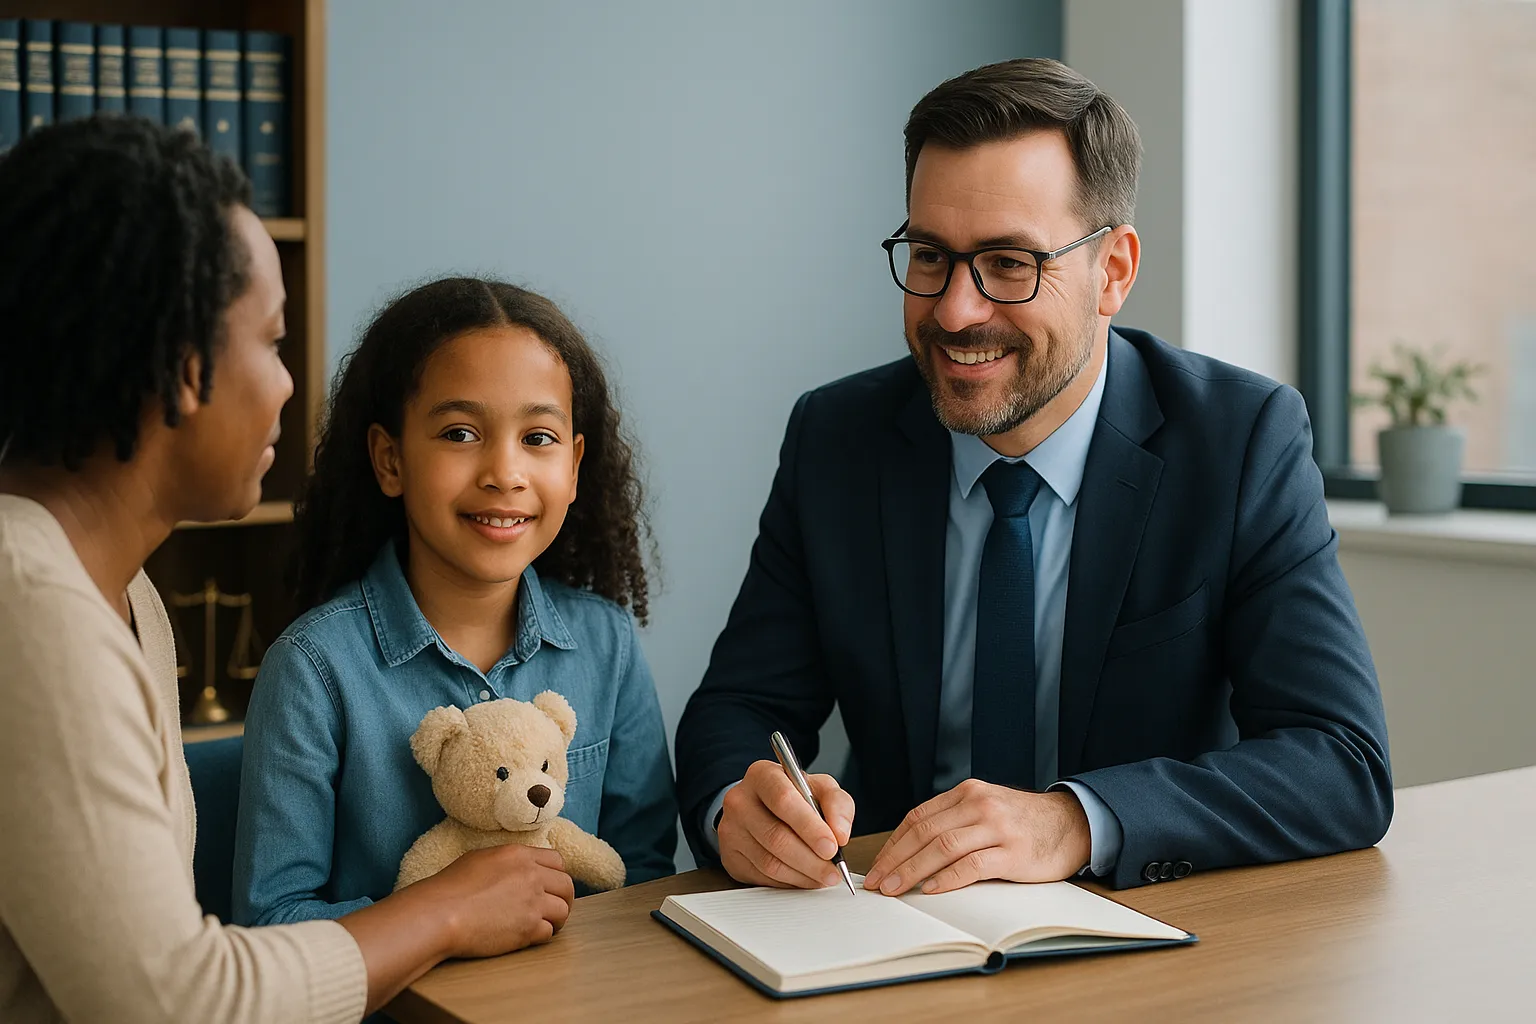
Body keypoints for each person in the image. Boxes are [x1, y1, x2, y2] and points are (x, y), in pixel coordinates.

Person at [675, 57, 1393, 895]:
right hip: (892, 927)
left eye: (1010, 264)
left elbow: (1340, 763)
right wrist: (740, 809)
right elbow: (739, 711)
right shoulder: (839, 438)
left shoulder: (1239, 441)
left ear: (1113, 272)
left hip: (1148, 937)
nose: (955, 310)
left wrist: (1076, 819)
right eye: (930, 255)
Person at [0, 118, 595, 1023]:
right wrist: (448, 906)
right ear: (182, 363)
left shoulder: (127, 599)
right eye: (272, 342)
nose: (287, 385)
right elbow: (176, 1002)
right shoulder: (29, 610)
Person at [232, 277, 676, 930]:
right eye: (461, 433)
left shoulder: (606, 644)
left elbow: (640, 882)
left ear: (575, 466)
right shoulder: (312, 669)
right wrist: (448, 916)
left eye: (539, 438)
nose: (504, 471)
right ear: (390, 460)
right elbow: (272, 923)